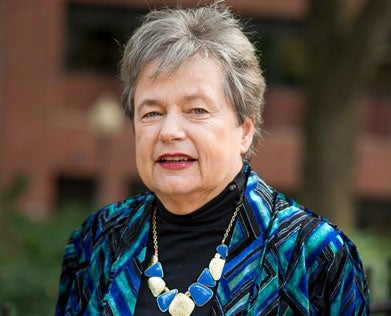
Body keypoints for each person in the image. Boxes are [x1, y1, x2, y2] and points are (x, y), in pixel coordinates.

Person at [55, 3, 370, 315]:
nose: (169, 132)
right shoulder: (97, 241)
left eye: (197, 110)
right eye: (152, 112)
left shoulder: (314, 254)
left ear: (244, 131)